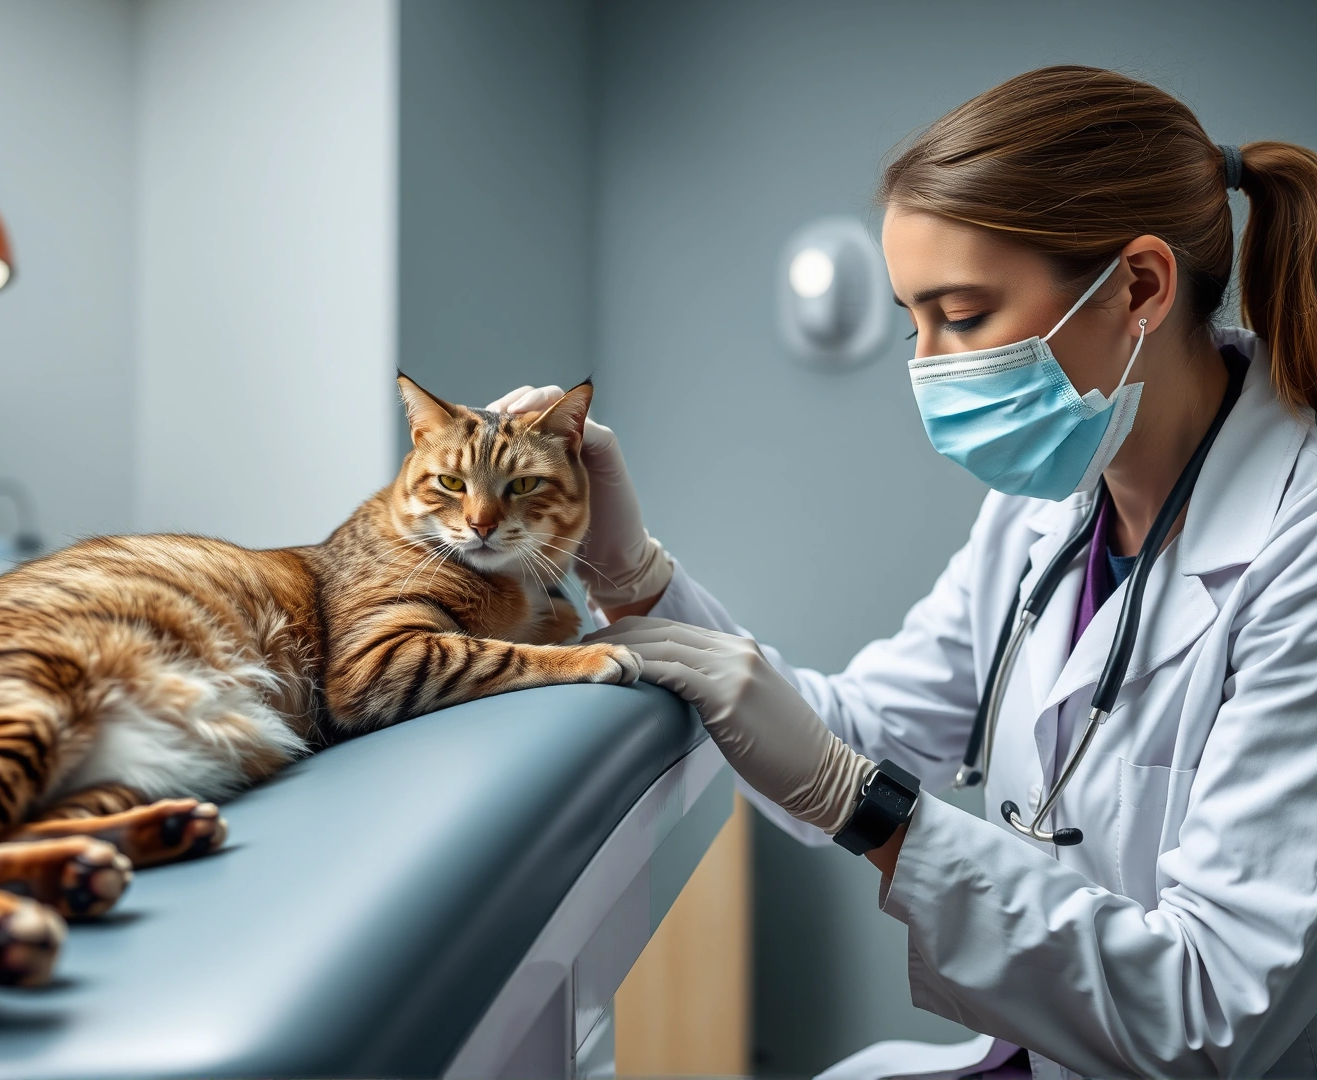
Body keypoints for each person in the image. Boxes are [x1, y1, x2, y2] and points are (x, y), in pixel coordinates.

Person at [493, 67, 1317, 1079]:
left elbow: (1212, 1012)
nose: (925, 366)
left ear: (1139, 287)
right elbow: (854, 740)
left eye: (962, 314)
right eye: (911, 320)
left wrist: (862, 804)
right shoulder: (1047, 507)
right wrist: (633, 574)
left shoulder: (1298, 549)